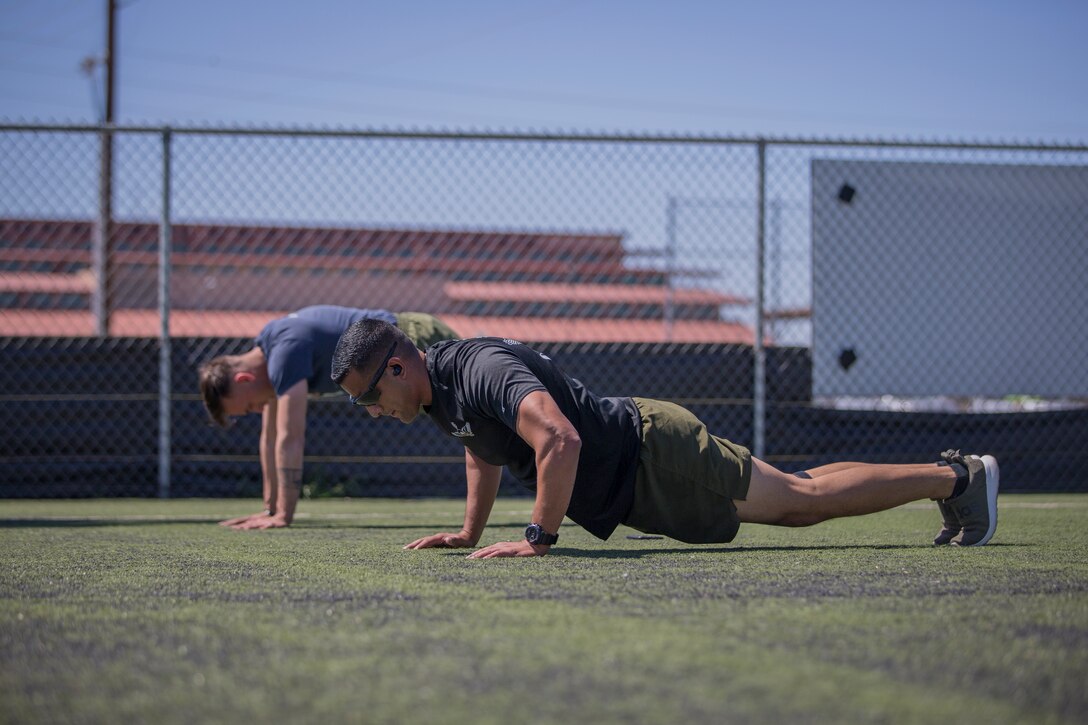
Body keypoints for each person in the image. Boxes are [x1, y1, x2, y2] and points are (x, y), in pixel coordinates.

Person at [330, 319, 999, 559]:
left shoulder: (476, 369)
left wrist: (538, 538)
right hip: (641, 473)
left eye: (368, 397)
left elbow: (557, 440)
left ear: (397, 364)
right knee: (801, 490)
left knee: (802, 501)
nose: (372, 411)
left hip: (654, 456)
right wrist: (469, 531)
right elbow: (483, 447)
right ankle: (953, 476)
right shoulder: (440, 393)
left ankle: (959, 479)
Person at [198, 306, 458, 530]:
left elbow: (290, 438)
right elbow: (270, 438)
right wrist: (271, 508)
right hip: (400, 347)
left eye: (249, 406)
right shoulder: (271, 344)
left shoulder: (284, 354)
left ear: (244, 379)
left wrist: (283, 516)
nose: (257, 411)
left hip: (414, 337)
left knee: (475, 408)